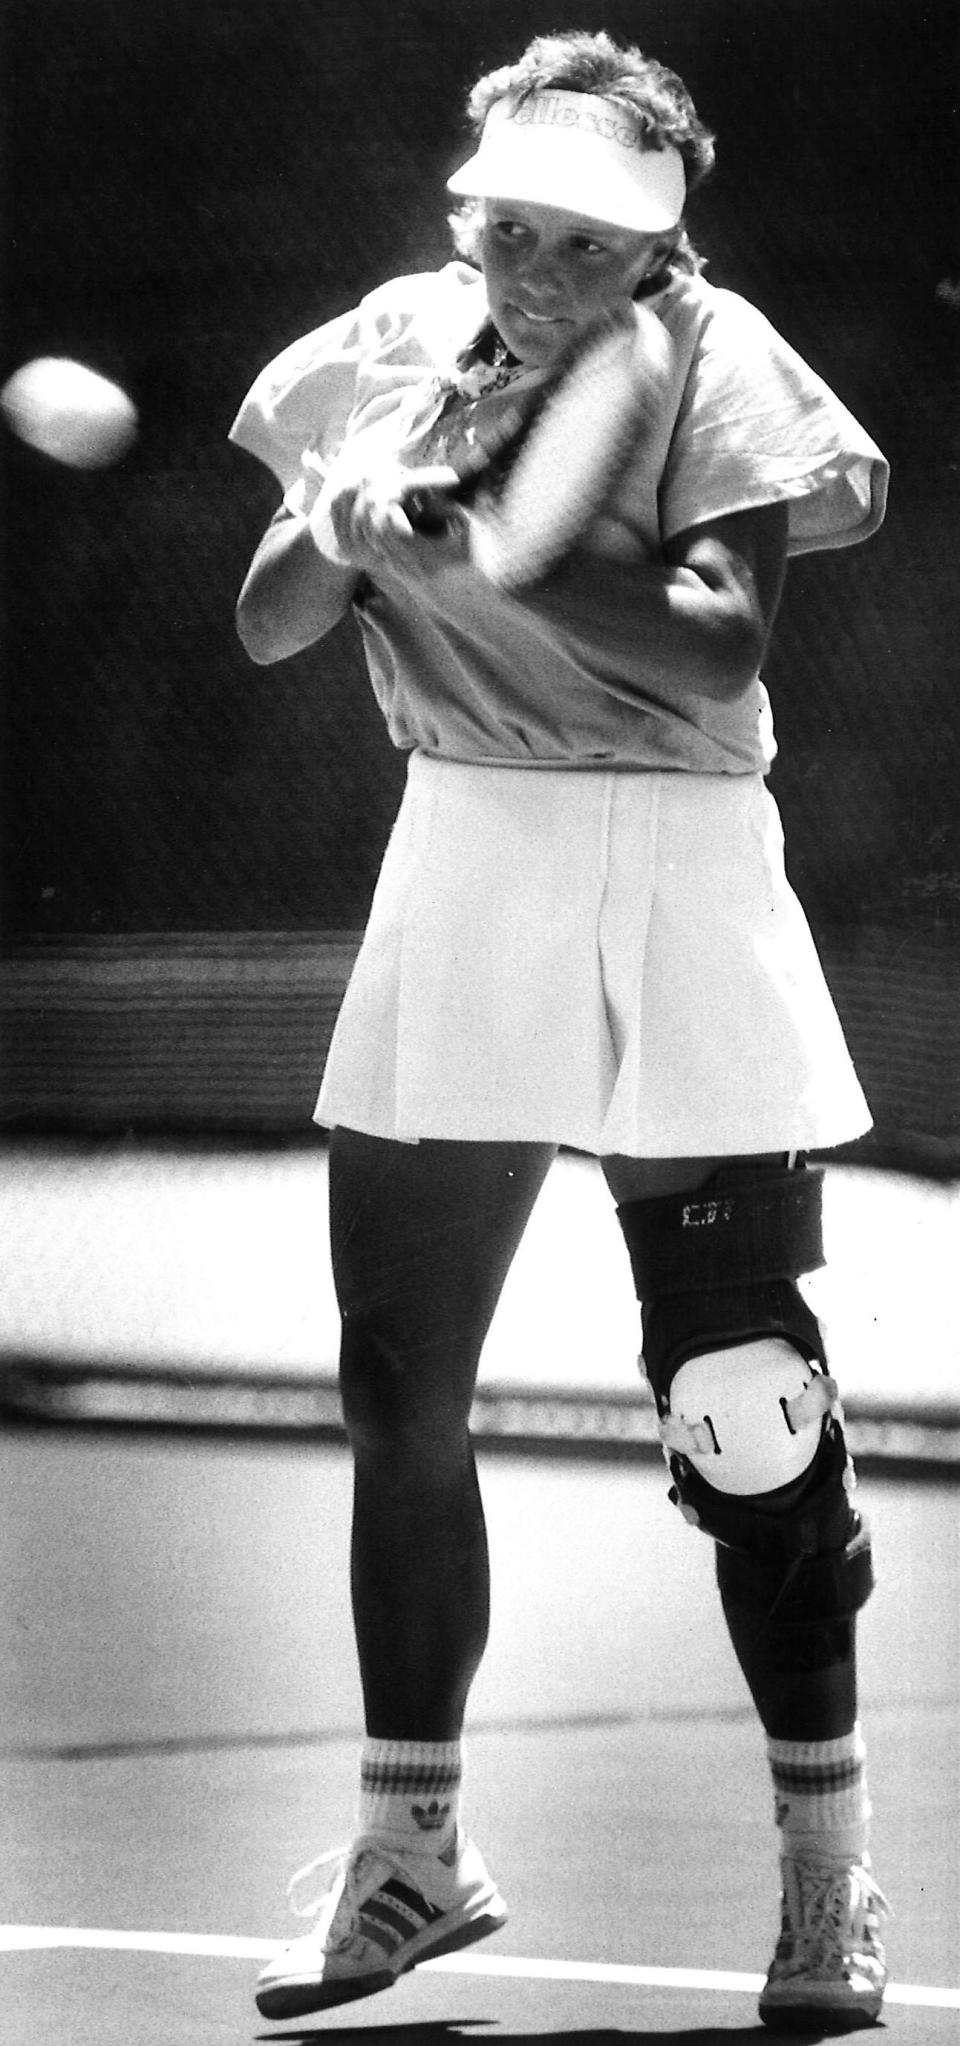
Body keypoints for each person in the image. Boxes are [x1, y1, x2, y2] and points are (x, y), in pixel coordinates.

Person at [231, 30, 891, 2033]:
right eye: (507, 227)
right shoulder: (393, 342)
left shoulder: (713, 358)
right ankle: (414, 1860)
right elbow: (270, 618)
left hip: (681, 867)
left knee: (744, 1408)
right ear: (468, 208)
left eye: (582, 243)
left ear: (655, 249)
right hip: (468, 864)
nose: (534, 268)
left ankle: (826, 1880)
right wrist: (341, 530)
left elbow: (720, 635)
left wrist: (497, 553)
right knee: (393, 1383)